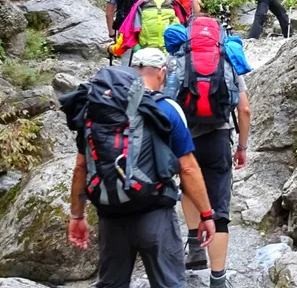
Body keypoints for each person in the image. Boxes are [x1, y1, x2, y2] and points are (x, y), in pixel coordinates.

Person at [67, 49, 217, 288]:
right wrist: (207, 214)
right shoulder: (166, 108)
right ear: (161, 73)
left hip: (110, 216)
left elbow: (81, 167)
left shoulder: (97, 109)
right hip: (154, 213)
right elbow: (187, 169)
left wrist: (77, 215)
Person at [178, 20, 252, 288]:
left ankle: (195, 248)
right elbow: (244, 109)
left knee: (188, 187)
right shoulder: (227, 56)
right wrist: (242, 147)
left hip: (185, 139)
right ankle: (217, 280)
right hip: (219, 136)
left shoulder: (179, 55)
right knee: (219, 209)